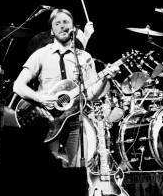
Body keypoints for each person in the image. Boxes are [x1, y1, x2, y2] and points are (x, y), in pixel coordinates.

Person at [13, 9, 114, 167]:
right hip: (47, 122)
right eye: (57, 23)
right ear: (52, 30)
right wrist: (40, 98)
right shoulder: (41, 55)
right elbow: (18, 86)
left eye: (66, 22)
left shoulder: (84, 57)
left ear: (73, 28)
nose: (62, 26)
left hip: (74, 122)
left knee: (77, 168)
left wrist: (105, 79)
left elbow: (92, 95)